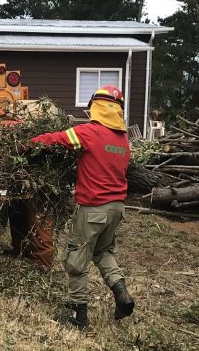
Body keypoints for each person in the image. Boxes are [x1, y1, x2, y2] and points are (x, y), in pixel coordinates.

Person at [28, 86, 135, 328]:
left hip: (93, 208)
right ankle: (122, 294)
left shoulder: (90, 132)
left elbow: (58, 140)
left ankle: (79, 317)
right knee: (102, 252)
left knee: (76, 259)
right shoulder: (122, 140)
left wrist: (29, 143)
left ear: (98, 108)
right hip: (117, 208)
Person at [0, 99, 54, 268]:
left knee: (38, 222)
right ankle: (20, 250)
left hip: (34, 183)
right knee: (17, 212)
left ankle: (43, 264)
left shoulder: (1, 129)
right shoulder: (14, 123)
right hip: (21, 182)